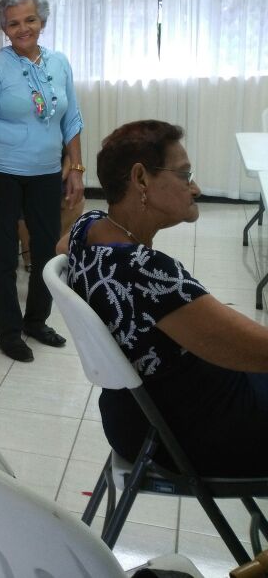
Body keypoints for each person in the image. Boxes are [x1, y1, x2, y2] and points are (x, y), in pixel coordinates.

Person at [64, 120, 268, 476]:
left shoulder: (87, 228)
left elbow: (58, 252)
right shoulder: (149, 273)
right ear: (141, 179)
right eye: (185, 175)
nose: (196, 188)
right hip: (185, 431)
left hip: (131, 414)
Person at [0, 0, 84, 362]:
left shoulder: (60, 63)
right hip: (3, 174)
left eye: (30, 20)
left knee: (46, 251)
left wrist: (76, 169)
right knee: (4, 256)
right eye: (13, 23)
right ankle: (8, 331)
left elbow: (72, 119)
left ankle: (36, 321)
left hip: (47, 173)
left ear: (42, 21)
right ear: (4, 28)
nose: (23, 29)